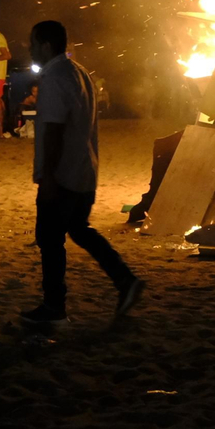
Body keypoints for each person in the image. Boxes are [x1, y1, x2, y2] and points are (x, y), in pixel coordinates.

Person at [21, 20, 144, 325]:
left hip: (62, 174)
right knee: (78, 229)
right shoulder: (80, 72)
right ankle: (125, 280)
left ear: (46, 45)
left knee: (50, 239)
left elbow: (53, 131)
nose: (30, 49)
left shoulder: (53, 77)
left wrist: (48, 178)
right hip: (84, 169)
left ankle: (54, 307)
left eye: (33, 43)